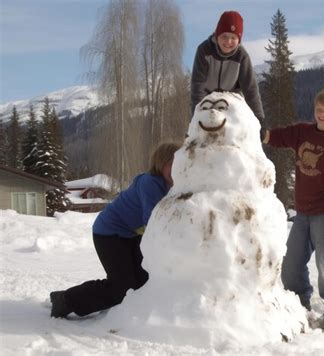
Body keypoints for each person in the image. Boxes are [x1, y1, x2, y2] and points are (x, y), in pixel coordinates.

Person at [50, 141, 181, 318]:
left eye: (180, 164)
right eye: (172, 164)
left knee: (143, 279)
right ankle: (66, 299)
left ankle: (132, 313)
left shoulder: (170, 186)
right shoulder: (151, 183)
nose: (177, 169)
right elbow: (153, 222)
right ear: (161, 163)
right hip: (108, 233)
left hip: (130, 234)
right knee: (121, 287)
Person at [262, 82, 324, 330]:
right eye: (319, 109)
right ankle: (299, 306)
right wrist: (255, 130)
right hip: (302, 213)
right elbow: (275, 137)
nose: (322, 114)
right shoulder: (303, 132)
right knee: (291, 265)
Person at [191, 10, 264, 127]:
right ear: (217, 34)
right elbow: (198, 85)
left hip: (232, 100)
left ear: (239, 40)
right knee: (203, 128)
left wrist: (259, 119)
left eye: (233, 38)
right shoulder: (204, 51)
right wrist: (196, 116)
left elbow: (251, 89)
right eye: (224, 36)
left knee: (237, 128)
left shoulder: (242, 56)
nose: (228, 42)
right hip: (207, 99)